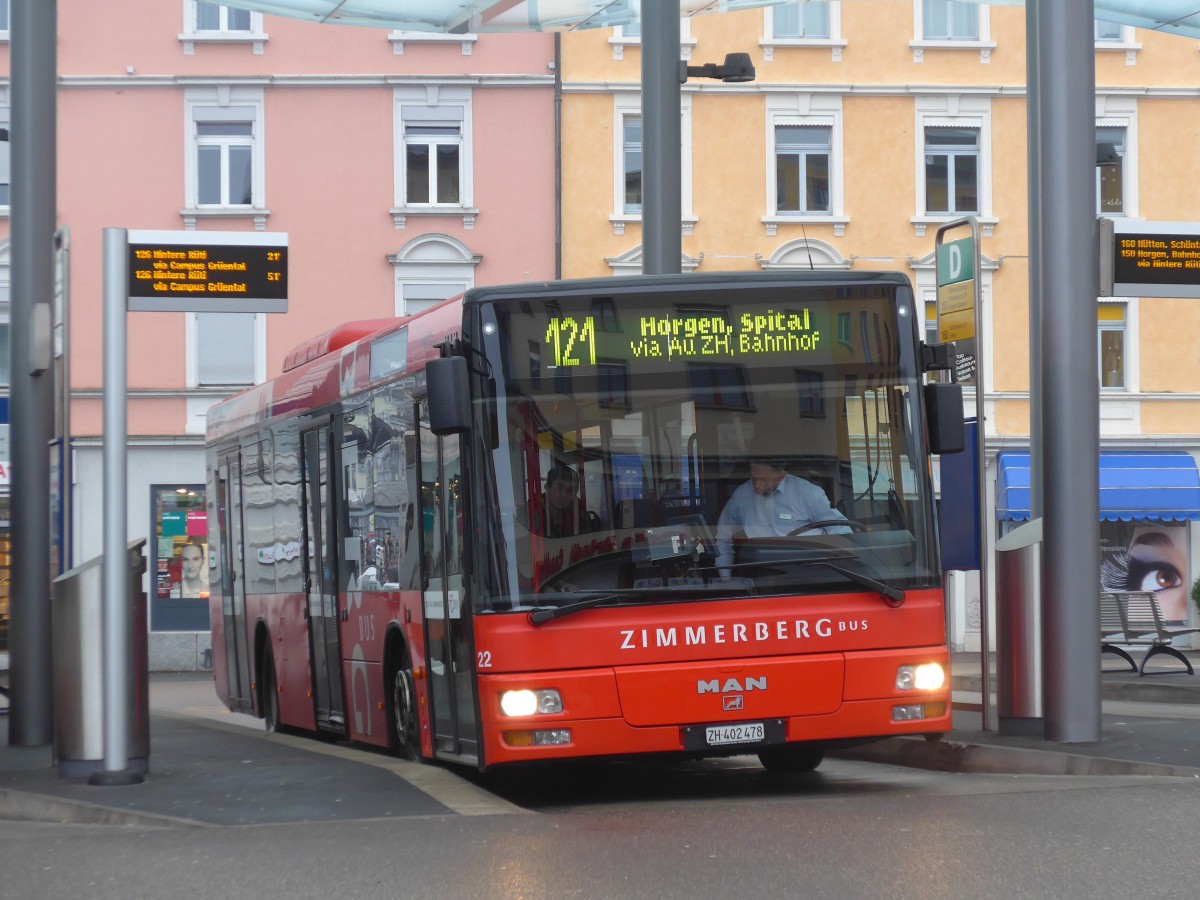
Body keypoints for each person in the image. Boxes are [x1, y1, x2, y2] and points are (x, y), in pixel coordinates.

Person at [715, 449, 850, 577]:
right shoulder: (742, 495)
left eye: (763, 479)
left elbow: (841, 531)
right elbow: (723, 537)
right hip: (761, 574)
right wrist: (725, 578)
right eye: (753, 478)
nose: (756, 485)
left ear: (781, 476)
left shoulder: (807, 493)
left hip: (810, 572)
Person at [534, 463, 599, 538]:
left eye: (570, 489)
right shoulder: (530, 512)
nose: (564, 494)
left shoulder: (578, 509)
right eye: (559, 487)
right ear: (547, 487)